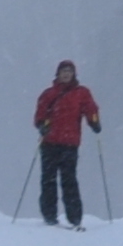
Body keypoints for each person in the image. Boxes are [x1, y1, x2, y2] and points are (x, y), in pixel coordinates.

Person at [33, 61, 102, 228]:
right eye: (63, 71)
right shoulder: (48, 94)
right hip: (49, 142)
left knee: (69, 180)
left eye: (69, 71)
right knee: (48, 180)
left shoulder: (82, 93)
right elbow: (39, 114)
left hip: (70, 144)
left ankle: (75, 218)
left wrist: (94, 122)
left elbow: (91, 109)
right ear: (58, 74)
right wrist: (42, 125)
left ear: (74, 74)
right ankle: (49, 216)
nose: (66, 74)